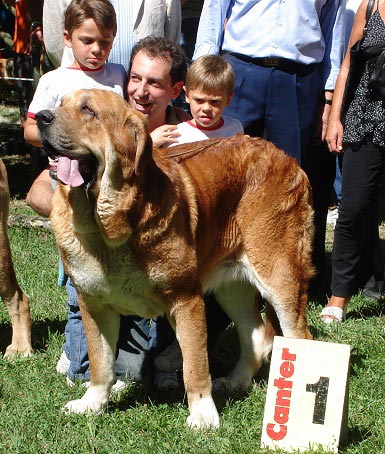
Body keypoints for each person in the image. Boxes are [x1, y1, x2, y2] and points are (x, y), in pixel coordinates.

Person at [193, 0, 346, 283]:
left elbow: (333, 26)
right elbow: (215, 10)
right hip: (240, 71)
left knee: (290, 185)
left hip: (299, 77)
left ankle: (287, 277)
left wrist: (328, 92)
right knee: (221, 178)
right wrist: (205, 68)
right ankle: (212, 271)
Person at [24, 0, 131, 388]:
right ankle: (78, 359)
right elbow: (30, 129)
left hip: (107, 190)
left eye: (105, 41)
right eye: (87, 40)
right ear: (67, 38)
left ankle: (109, 356)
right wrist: (59, 145)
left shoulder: (117, 76)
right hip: (68, 184)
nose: (96, 50)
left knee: (110, 271)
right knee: (77, 280)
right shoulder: (54, 80)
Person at [153, 54, 242, 389]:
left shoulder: (235, 131)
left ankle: (199, 353)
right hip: (184, 229)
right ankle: (169, 359)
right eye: (200, 100)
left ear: (229, 100)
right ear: (185, 95)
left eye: (215, 102)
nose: (206, 109)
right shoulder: (177, 134)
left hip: (221, 226)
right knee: (179, 298)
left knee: (219, 296)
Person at [322, 0, 385, 323]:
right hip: (366, 119)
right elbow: (348, 64)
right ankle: (338, 296)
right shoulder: (371, 6)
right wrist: (336, 117)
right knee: (354, 208)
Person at [42, 0, 181, 71]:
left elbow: (171, 39)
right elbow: (55, 42)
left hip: (145, 100)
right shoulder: (53, 83)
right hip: (83, 93)